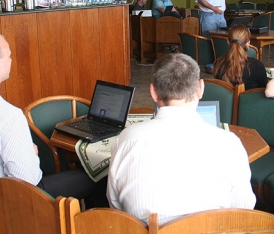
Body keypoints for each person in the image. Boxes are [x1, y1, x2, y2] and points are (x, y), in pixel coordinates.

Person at [0, 33, 107, 206]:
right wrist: (32, 155)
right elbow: (29, 181)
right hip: (8, 201)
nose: (11, 60)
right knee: (99, 175)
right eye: (9, 56)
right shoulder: (8, 116)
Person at [107, 53, 255, 225]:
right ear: (200, 88)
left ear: (153, 92)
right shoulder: (230, 144)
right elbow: (244, 210)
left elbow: (115, 206)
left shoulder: (126, 140)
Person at [213, 25, 269, 90]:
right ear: (248, 43)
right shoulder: (257, 66)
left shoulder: (218, 63)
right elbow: (265, 90)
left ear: (228, 41)